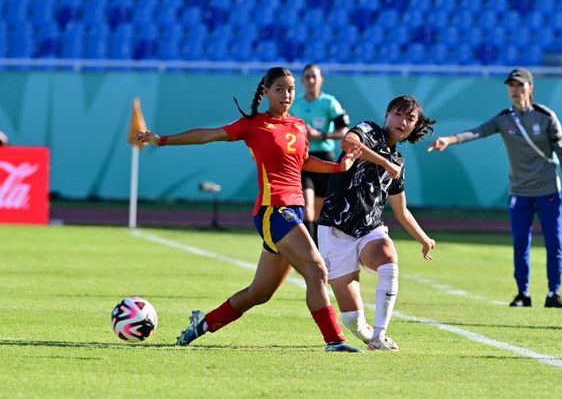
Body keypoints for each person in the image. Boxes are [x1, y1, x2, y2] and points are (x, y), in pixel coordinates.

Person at [134, 67, 361, 352]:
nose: (286, 94)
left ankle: (201, 324)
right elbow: (208, 135)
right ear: (266, 91)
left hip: (294, 211)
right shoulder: (253, 124)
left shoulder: (299, 126)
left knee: (260, 293)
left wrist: (338, 167)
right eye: (279, 89)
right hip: (273, 211)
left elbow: (303, 162)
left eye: (290, 89)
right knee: (316, 269)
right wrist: (162, 139)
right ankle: (335, 341)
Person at [428, 68, 562, 309]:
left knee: (554, 243)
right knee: (520, 244)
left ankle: (553, 293)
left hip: (548, 190)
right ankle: (523, 293)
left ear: (530, 88)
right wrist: (449, 140)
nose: (515, 90)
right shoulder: (504, 118)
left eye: (520, 85)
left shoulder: (545, 117)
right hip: (519, 191)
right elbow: (478, 131)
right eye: (511, 86)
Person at [318, 95, 436, 351]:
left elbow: (401, 211)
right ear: (387, 114)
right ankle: (369, 335)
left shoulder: (400, 163)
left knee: (388, 257)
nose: (402, 122)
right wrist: (383, 161)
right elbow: (348, 142)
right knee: (353, 320)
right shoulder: (369, 130)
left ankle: (380, 335)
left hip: (369, 229)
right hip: (335, 228)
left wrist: (424, 239)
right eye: (398, 114)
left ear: (415, 127)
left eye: (410, 119)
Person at [291, 64, 350, 244]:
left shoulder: (329, 102)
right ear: (302, 80)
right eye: (307, 77)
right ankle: (308, 253)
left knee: (320, 211)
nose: (311, 80)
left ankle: (320, 252)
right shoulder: (295, 104)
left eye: (314, 76)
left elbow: (344, 131)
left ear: (321, 79)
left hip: (325, 159)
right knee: (307, 208)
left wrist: (320, 135)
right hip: (304, 160)